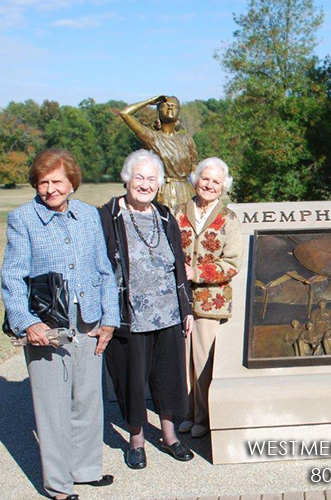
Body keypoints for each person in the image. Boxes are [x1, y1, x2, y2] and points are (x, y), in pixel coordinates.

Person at [1, 149, 119, 500]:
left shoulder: (88, 214)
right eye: (43, 183)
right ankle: (58, 485)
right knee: (52, 407)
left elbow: (104, 269)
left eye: (57, 181)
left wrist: (109, 319)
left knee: (87, 399)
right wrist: (26, 323)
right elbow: (11, 276)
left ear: (72, 183)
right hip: (47, 327)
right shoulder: (24, 219)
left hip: (89, 321)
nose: (50, 189)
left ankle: (85, 470)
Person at [99, 149, 195, 469]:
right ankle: (136, 441)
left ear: (159, 184)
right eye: (138, 177)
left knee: (168, 377)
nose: (144, 184)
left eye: (151, 178)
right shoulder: (108, 215)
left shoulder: (165, 215)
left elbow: (178, 265)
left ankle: (170, 438)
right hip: (130, 315)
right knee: (132, 380)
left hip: (167, 312)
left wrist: (187, 309)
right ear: (126, 179)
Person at [173, 157, 241, 438]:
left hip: (210, 302)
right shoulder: (177, 213)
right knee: (181, 361)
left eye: (216, 181)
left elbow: (233, 263)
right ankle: (187, 412)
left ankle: (203, 417)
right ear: (196, 179)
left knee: (202, 362)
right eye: (205, 179)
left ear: (223, 187)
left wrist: (196, 272)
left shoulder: (229, 219)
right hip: (178, 300)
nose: (209, 185)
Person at [119, 95, 198, 210]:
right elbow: (125, 113)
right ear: (159, 112)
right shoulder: (151, 138)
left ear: (179, 114)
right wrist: (149, 101)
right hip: (161, 192)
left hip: (186, 193)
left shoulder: (187, 139)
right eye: (166, 105)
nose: (170, 107)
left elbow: (194, 170)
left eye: (174, 106)